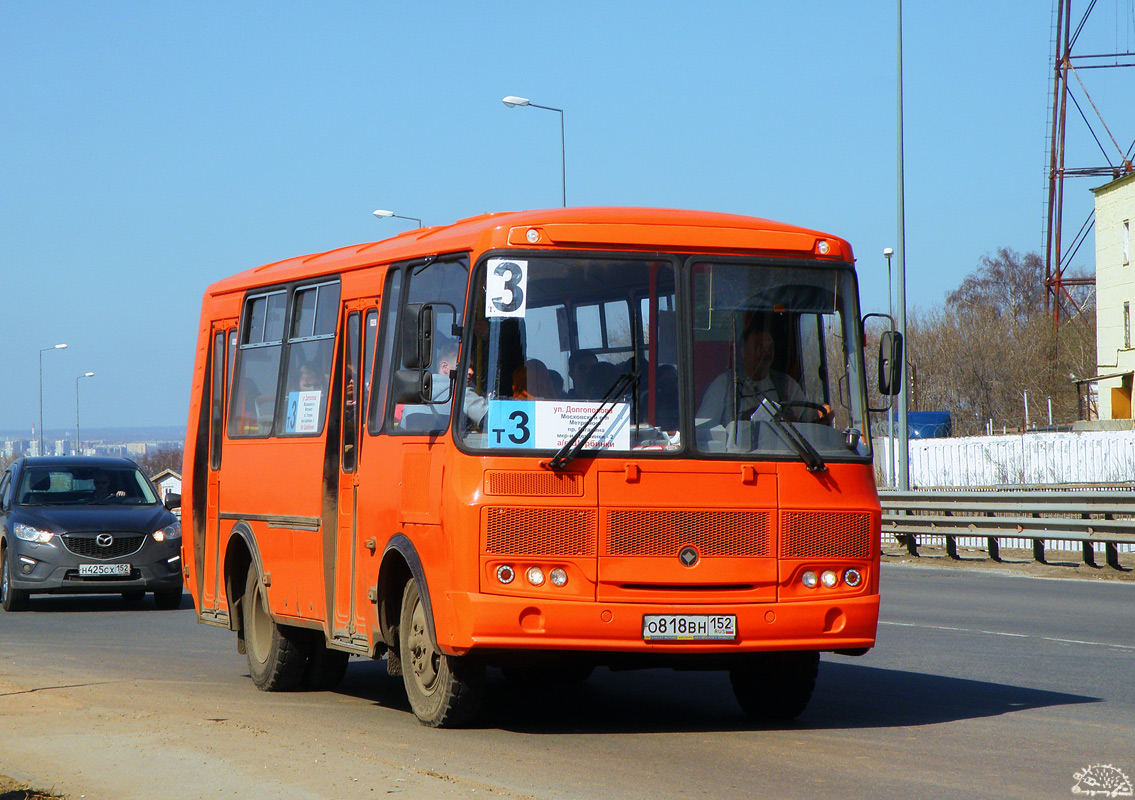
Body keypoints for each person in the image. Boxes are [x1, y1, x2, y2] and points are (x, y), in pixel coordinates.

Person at [696, 324, 810, 426]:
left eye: (770, 348)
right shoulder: (724, 385)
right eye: (759, 347)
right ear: (743, 351)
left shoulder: (786, 384)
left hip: (781, 449)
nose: (766, 353)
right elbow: (703, 429)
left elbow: (810, 421)